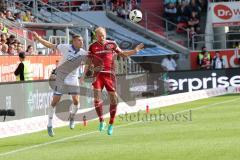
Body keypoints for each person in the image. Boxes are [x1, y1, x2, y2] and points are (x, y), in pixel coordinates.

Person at [83, 27, 144, 135]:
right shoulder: (92, 47)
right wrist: (83, 75)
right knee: (96, 97)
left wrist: (135, 51)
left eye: (103, 35)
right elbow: (88, 61)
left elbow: (122, 54)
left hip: (109, 75)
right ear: (96, 36)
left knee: (114, 99)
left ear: (105, 34)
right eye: (99, 35)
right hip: (97, 75)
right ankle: (102, 121)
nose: (101, 37)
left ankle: (111, 123)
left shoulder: (112, 44)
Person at [32, 32, 87, 137]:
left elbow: (89, 63)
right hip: (61, 78)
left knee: (76, 101)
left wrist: (84, 75)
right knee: (54, 102)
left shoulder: (83, 53)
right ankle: (49, 125)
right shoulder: (65, 47)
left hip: (73, 79)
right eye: (80, 40)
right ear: (74, 41)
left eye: (82, 41)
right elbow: (50, 45)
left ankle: (72, 116)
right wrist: (38, 38)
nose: (82, 42)